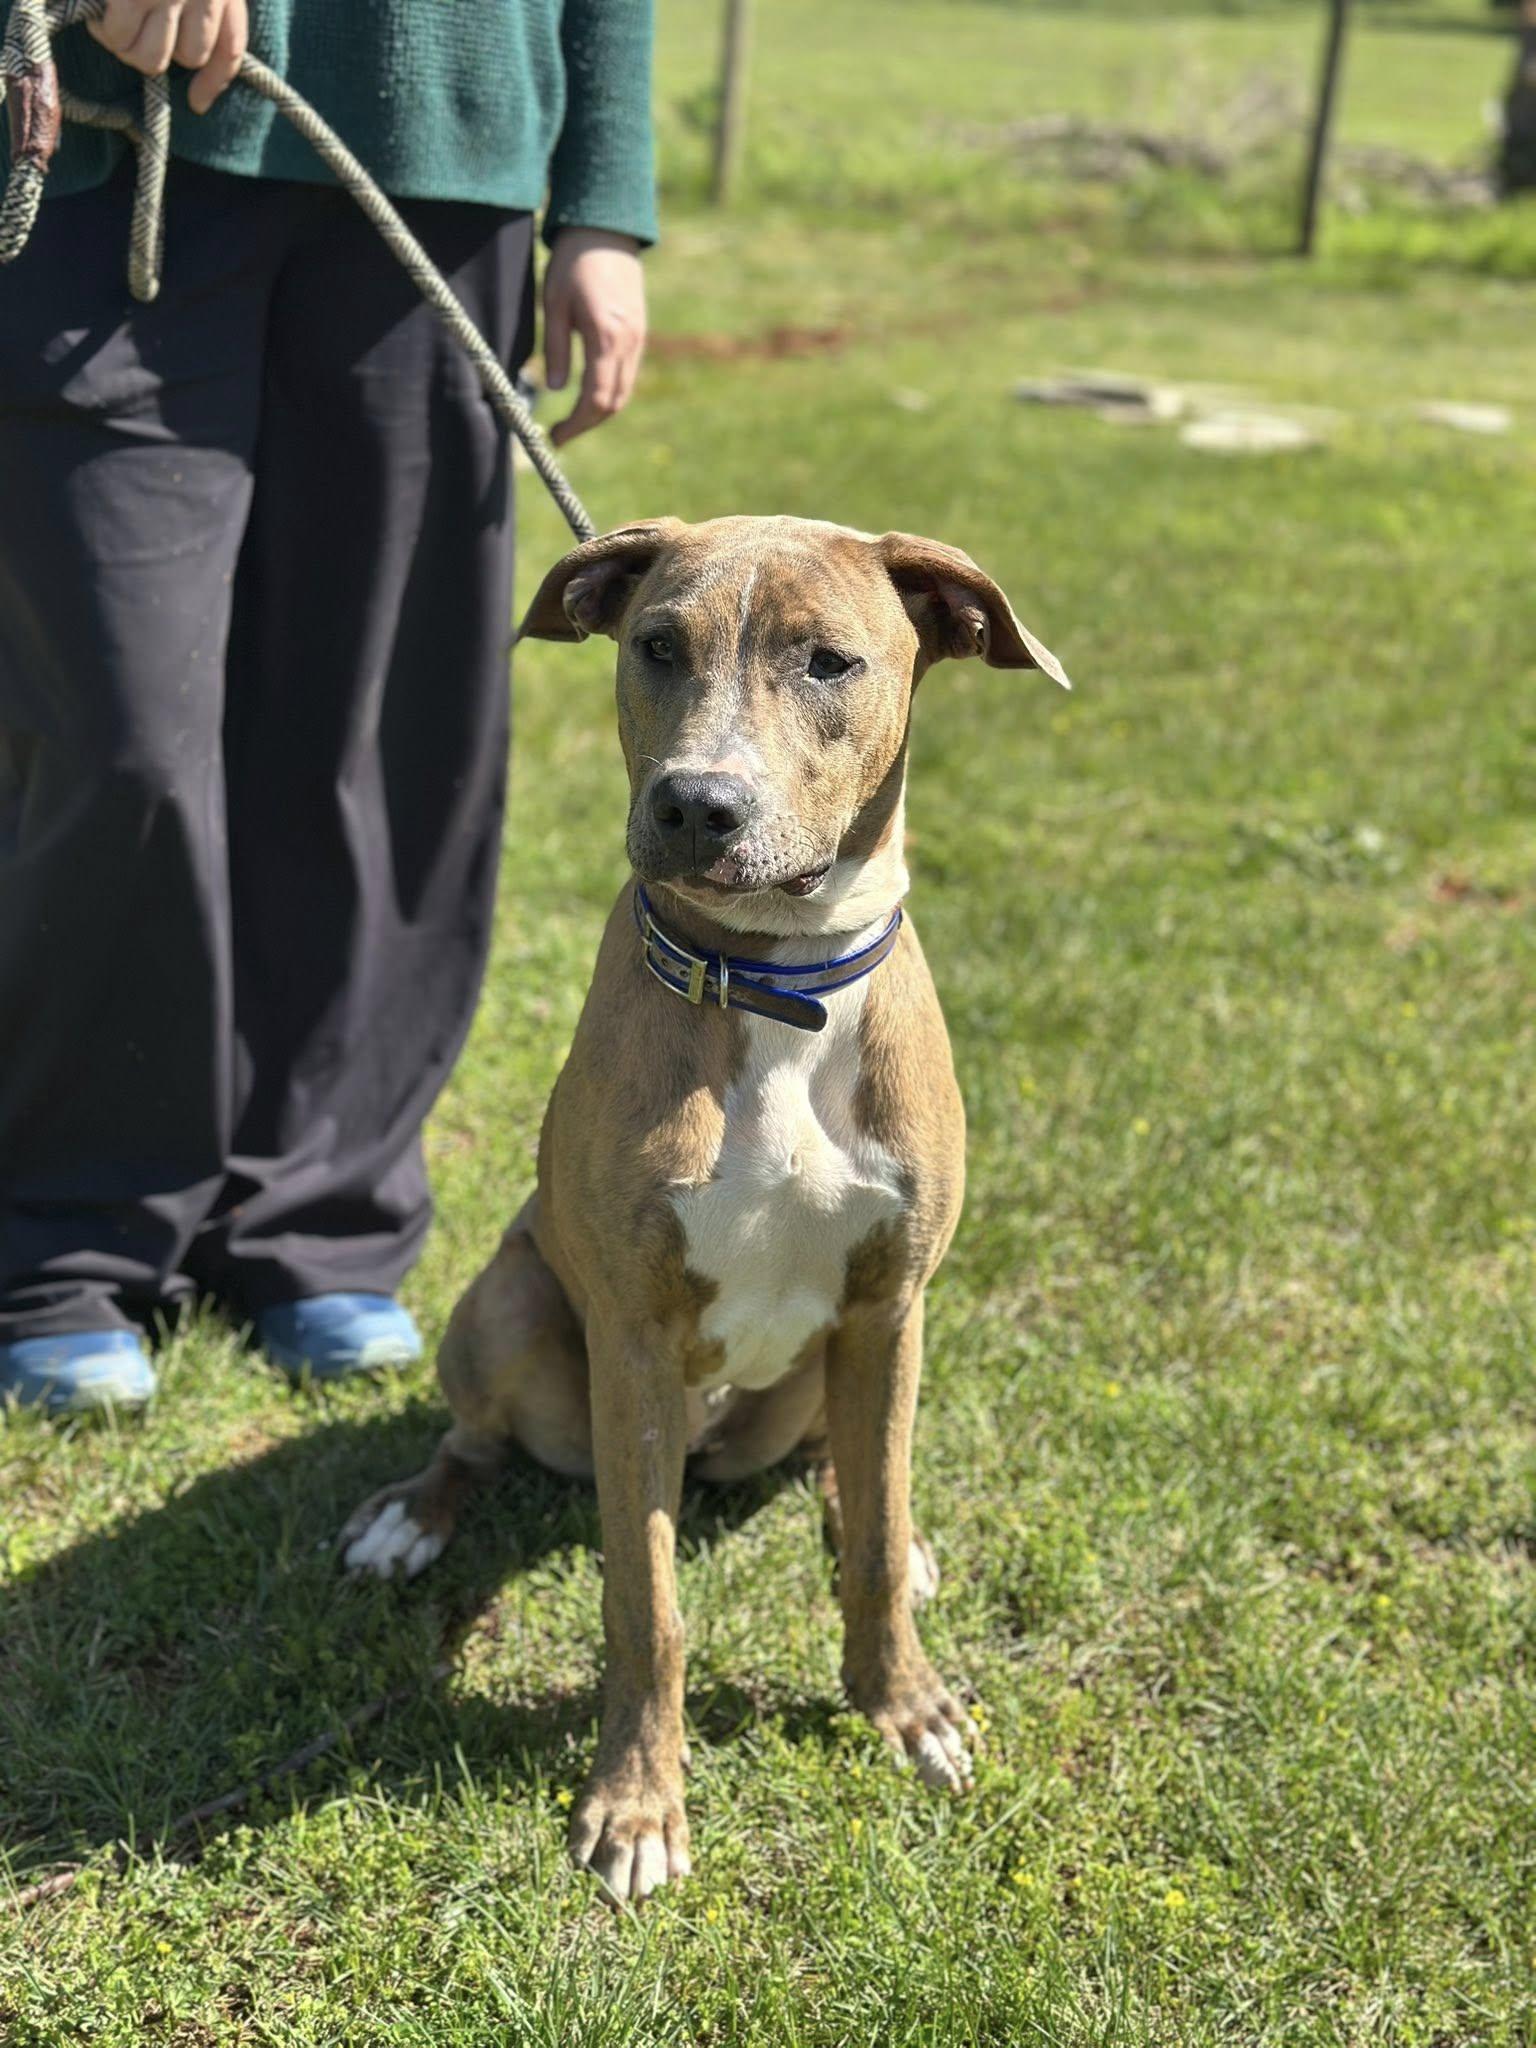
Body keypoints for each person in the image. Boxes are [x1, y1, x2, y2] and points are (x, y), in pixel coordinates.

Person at [0, 0, 654, 1411]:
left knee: (374, 732)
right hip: (122, 134)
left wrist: (604, 196)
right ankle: (73, 1233)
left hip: (445, 146)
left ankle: (318, 1216)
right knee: (121, 728)